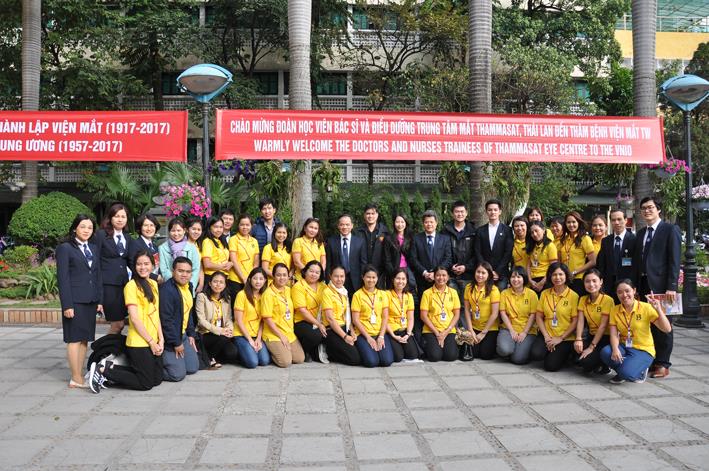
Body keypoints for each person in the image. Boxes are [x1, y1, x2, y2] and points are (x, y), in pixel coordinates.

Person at [89, 251, 164, 392]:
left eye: (146, 264)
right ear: (134, 267)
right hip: (139, 341)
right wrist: (151, 342)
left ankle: (113, 367)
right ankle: (103, 370)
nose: (143, 267)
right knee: (146, 384)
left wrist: (161, 339)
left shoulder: (154, 284)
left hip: (153, 339)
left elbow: (156, 315)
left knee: (157, 379)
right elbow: (134, 319)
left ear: (153, 265)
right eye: (139, 264)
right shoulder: (131, 286)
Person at [633, 196, 681, 379]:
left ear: (658, 209)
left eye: (650, 207)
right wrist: (636, 287)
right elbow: (638, 261)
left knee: (664, 324)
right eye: (644, 208)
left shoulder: (670, 230)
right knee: (648, 323)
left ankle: (663, 364)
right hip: (644, 284)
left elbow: (674, 260)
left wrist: (672, 286)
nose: (647, 211)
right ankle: (652, 360)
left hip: (663, 287)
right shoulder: (640, 233)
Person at [57, 214, 103, 389]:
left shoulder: (93, 248)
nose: (86, 230)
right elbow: (63, 279)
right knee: (74, 339)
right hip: (75, 301)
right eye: (83, 226)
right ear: (75, 228)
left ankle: (79, 374)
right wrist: (67, 305)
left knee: (85, 339)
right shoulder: (65, 248)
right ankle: (75, 377)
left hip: (91, 300)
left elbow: (97, 275)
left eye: (90, 228)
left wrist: (99, 299)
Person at [601, 279, 672, 384]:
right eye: (620, 292)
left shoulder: (646, 307)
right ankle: (627, 369)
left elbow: (667, 329)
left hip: (643, 350)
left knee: (626, 373)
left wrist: (658, 309)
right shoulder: (615, 310)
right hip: (624, 346)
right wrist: (615, 349)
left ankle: (638, 371)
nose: (624, 295)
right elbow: (614, 334)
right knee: (606, 352)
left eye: (627, 291)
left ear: (634, 291)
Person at [531, 262, 579, 371]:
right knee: (536, 355)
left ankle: (566, 356)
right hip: (547, 334)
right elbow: (539, 316)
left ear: (566, 275)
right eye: (554, 275)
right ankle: (552, 351)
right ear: (550, 276)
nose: (557, 278)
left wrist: (560, 338)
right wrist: (546, 336)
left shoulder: (573, 296)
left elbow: (575, 321)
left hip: (564, 337)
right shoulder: (545, 293)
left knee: (550, 366)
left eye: (560, 274)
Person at [93, 202, 132, 335]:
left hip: (124, 285)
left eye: (123, 216)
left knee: (121, 325)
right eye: (117, 216)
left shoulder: (127, 237)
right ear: (110, 218)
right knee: (117, 324)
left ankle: (114, 346)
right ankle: (106, 347)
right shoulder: (101, 235)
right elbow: (95, 261)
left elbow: (130, 261)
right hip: (108, 285)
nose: (120, 219)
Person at [159, 257, 199, 381]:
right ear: (173, 271)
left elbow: (189, 312)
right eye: (180, 271)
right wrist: (176, 343)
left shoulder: (189, 286)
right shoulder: (167, 290)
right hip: (169, 339)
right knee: (177, 375)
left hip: (183, 334)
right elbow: (166, 321)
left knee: (192, 368)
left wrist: (191, 334)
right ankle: (151, 367)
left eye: (188, 272)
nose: (184, 275)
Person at [261, 263, 306, 367]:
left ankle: (282, 350)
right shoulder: (268, 294)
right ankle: (269, 350)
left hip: (289, 332)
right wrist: (281, 336)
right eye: (278, 275)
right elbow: (267, 319)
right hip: (273, 334)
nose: (282, 278)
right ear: (273, 276)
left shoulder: (289, 290)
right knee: (285, 362)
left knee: (299, 359)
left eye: (284, 275)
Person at [195, 271, 240, 367]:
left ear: (225, 285)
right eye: (215, 281)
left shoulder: (227, 298)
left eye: (221, 282)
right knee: (223, 338)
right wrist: (220, 331)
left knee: (232, 353)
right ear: (210, 283)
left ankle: (213, 357)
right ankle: (208, 359)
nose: (218, 284)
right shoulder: (202, 297)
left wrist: (229, 330)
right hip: (205, 333)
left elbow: (228, 318)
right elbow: (201, 321)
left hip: (221, 334)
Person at [351, 265, 394, 367]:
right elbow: (355, 320)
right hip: (363, 334)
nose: (371, 280)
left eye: (373, 277)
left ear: (377, 278)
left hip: (379, 333)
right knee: (372, 362)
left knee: (386, 361)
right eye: (368, 277)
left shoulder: (383, 294)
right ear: (363, 277)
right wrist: (368, 338)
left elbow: (385, 317)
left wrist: (381, 336)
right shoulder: (357, 295)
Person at [574, 269, 614, 374]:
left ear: (601, 282)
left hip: (605, 338)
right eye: (587, 281)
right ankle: (597, 362)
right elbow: (580, 321)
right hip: (591, 335)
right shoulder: (583, 299)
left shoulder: (608, 300)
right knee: (576, 352)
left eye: (594, 281)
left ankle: (605, 365)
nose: (591, 284)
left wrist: (591, 347)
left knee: (586, 362)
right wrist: (578, 339)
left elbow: (603, 326)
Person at [497, 266, 538, 365]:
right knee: (504, 350)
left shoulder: (532, 294)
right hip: (508, 328)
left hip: (527, 330)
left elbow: (533, 315)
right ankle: (511, 348)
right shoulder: (504, 293)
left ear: (524, 279)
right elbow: (503, 313)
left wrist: (524, 332)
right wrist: (511, 330)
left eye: (519, 277)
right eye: (513, 277)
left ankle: (519, 350)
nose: (515, 280)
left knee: (518, 359)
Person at [322, 265, 361, 365]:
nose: (339, 279)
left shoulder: (344, 291)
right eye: (336, 276)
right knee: (354, 359)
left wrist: (352, 331)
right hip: (332, 329)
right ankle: (328, 350)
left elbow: (346, 315)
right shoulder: (327, 292)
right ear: (330, 276)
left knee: (362, 352)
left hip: (345, 327)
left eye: (342, 276)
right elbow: (330, 319)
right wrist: (345, 337)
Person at [441, 200, 478, 307]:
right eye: (457, 212)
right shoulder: (445, 231)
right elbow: (443, 252)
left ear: (466, 213)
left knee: (467, 305)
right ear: (452, 213)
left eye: (462, 211)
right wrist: (450, 266)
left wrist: (466, 267)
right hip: (450, 275)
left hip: (468, 275)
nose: (459, 214)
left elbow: (477, 253)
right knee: (451, 305)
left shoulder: (474, 231)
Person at [420, 266, 460, 362]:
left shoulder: (453, 292)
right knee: (434, 356)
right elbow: (423, 316)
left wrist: (446, 331)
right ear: (434, 277)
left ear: (448, 277)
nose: (441, 278)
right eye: (438, 275)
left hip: (448, 330)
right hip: (431, 330)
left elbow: (457, 314)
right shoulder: (427, 293)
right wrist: (437, 333)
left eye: (444, 275)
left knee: (450, 356)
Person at [409, 210, 453, 298]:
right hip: (422, 279)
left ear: (436, 223)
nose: (429, 224)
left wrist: (436, 273)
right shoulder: (416, 239)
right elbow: (413, 259)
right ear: (423, 223)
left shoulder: (445, 239)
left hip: (440, 279)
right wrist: (425, 273)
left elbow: (448, 258)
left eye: (431, 222)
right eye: (426, 222)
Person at [233, 268, 270, 368]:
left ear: (265, 281)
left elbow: (263, 320)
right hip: (242, 334)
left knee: (264, 361)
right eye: (255, 278)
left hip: (256, 335)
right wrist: (250, 340)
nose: (258, 281)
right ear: (249, 280)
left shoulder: (264, 296)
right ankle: (240, 352)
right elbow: (238, 320)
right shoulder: (242, 295)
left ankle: (249, 351)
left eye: (261, 279)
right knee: (252, 363)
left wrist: (258, 339)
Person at [596, 208, 636, 303]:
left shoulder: (634, 240)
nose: (616, 222)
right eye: (613, 220)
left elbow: (636, 266)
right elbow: (601, 264)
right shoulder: (606, 241)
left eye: (619, 219)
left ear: (625, 220)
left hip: (627, 287)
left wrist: (634, 285)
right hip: (609, 286)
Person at [463, 262, 500, 360]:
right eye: (478, 272)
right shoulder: (468, 287)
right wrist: (470, 330)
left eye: (483, 273)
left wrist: (483, 333)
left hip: (489, 328)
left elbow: (495, 313)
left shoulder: (494, 290)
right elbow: (466, 310)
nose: (480, 275)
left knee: (485, 355)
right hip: (474, 327)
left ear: (489, 275)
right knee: (474, 353)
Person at [291, 260, 327, 360]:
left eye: (317, 272)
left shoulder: (323, 286)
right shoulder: (298, 286)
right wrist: (318, 324)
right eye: (311, 271)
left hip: (320, 319)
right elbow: (302, 311)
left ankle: (316, 351)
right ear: (305, 271)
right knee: (316, 335)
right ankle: (305, 350)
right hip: (302, 321)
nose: (314, 274)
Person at [475, 199, 513, 289]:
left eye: (495, 210)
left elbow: (508, 252)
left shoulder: (507, 230)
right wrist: (486, 270)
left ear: (500, 212)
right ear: (486, 212)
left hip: (501, 274)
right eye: (490, 210)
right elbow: (477, 251)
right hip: (483, 274)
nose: (493, 212)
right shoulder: (480, 230)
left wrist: (497, 271)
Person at [325, 214, 367, 295]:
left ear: (352, 226)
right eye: (342, 224)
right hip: (337, 280)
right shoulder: (331, 241)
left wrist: (363, 280)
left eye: (347, 224)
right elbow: (328, 263)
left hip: (356, 281)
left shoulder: (360, 242)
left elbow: (363, 263)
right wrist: (328, 280)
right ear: (338, 226)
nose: (344, 227)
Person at [159, 218, 201, 294]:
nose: (176, 234)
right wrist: (174, 284)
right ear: (169, 232)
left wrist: (189, 286)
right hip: (170, 287)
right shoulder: (162, 248)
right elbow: (164, 270)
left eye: (179, 230)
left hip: (187, 288)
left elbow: (195, 269)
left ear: (184, 231)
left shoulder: (192, 248)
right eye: (173, 231)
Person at [558, 211, 596, 295]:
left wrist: (574, 273)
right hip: (564, 279)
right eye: (568, 222)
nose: (571, 225)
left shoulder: (585, 238)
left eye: (574, 222)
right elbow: (559, 261)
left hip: (578, 278)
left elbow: (593, 261)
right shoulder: (563, 240)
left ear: (578, 223)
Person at [386, 268, 418, 362]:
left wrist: (408, 334)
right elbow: (384, 319)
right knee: (398, 357)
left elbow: (410, 318)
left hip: (404, 330)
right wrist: (393, 336)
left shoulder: (409, 296)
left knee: (413, 355)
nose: (400, 281)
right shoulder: (386, 295)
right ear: (393, 279)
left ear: (407, 280)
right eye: (398, 278)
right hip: (391, 331)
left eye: (403, 279)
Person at [356, 204, 390, 287]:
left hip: (380, 272)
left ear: (377, 215)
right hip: (362, 271)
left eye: (373, 213)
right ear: (364, 215)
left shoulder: (384, 231)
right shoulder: (357, 232)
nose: (370, 216)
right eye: (368, 213)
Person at [228, 214, 260, 300]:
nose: (245, 227)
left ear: (251, 226)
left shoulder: (254, 241)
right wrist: (243, 278)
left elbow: (256, 262)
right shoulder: (233, 239)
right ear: (238, 225)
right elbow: (233, 260)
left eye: (247, 225)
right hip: (235, 279)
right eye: (242, 225)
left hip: (250, 279)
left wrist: (251, 277)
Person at [383, 213, 416, 294]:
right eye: (397, 222)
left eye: (402, 222)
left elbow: (413, 257)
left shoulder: (411, 238)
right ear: (394, 223)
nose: (400, 224)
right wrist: (393, 273)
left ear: (406, 223)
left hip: (407, 270)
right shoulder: (388, 238)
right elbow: (387, 259)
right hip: (394, 270)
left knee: (409, 292)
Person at [526, 221, 558, 294]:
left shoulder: (550, 246)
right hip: (533, 281)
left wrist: (541, 283)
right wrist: (530, 280)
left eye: (536, 231)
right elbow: (528, 265)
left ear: (543, 230)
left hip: (546, 279)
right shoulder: (532, 246)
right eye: (532, 232)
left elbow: (553, 267)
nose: (534, 234)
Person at [128, 213, 161, 282]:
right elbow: (133, 266)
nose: (149, 229)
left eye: (152, 225)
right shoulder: (135, 244)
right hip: (141, 283)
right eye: (145, 225)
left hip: (154, 283)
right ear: (140, 227)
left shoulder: (155, 247)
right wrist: (155, 277)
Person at [201, 216, 233, 286]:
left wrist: (231, 263)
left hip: (223, 277)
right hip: (212, 278)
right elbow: (207, 264)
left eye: (221, 227)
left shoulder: (221, 241)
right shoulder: (207, 241)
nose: (219, 230)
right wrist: (224, 266)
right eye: (216, 227)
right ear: (209, 227)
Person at [186, 218, 205, 293]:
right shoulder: (182, 245)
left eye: (199, 229)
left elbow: (200, 266)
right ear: (187, 230)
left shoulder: (198, 246)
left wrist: (201, 284)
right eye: (193, 229)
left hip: (195, 282)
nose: (196, 232)